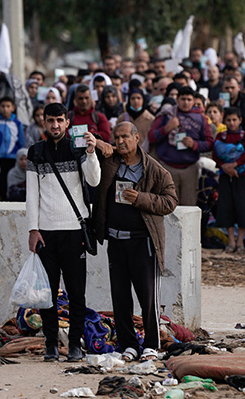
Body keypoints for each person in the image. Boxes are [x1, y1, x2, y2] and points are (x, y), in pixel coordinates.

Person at [92, 121, 177, 363]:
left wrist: (142, 198)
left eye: (124, 137)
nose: (119, 142)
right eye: (115, 138)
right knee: (120, 297)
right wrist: (99, 142)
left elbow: (170, 201)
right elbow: (86, 145)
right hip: (116, 241)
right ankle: (128, 345)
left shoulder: (155, 170)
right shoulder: (110, 162)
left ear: (136, 138)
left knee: (148, 298)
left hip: (144, 242)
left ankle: (151, 344)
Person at [26, 102, 101, 363]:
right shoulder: (36, 151)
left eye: (59, 120)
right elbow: (32, 194)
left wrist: (91, 153)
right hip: (46, 233)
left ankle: (75, 345)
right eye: (50, 120)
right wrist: (32, 229)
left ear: (67, 123)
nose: (55, 125)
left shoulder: (78, 147)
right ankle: (50, 344)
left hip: (74, 232)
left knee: (76, 293)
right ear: (43, 123)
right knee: (48, 294)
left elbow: (94, 181)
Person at [148, 86, 214, 206]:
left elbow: (210, 143)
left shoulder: (201, 118)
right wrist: (166, 129)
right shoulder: (167, 115)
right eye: (183, 99)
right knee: (168, 208)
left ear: (194, 101)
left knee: (188, 208)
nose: (186, 102)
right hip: (167, 168)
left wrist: (194, 144)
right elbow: (151, 137)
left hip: (190, 169)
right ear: (177, 99)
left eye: (189, 99)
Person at [213, 108, 245, 254]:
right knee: (226, 206)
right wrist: (225, 167)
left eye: (234, 120)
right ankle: (231, 241)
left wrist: (234, 165)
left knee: (242, 207)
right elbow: (215, 155)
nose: (231, 123)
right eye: (229, 120)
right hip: (225, 175)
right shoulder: (220, 136)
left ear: (240, 120)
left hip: (241, 175)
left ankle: (240, 242)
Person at [0, 96, 25, 201]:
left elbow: (21, 142)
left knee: (9, 180)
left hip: (12, 158)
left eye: (8, 106)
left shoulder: (17, 123)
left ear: (13, 108)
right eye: (3, 106)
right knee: (0, 181)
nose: (5, 109)